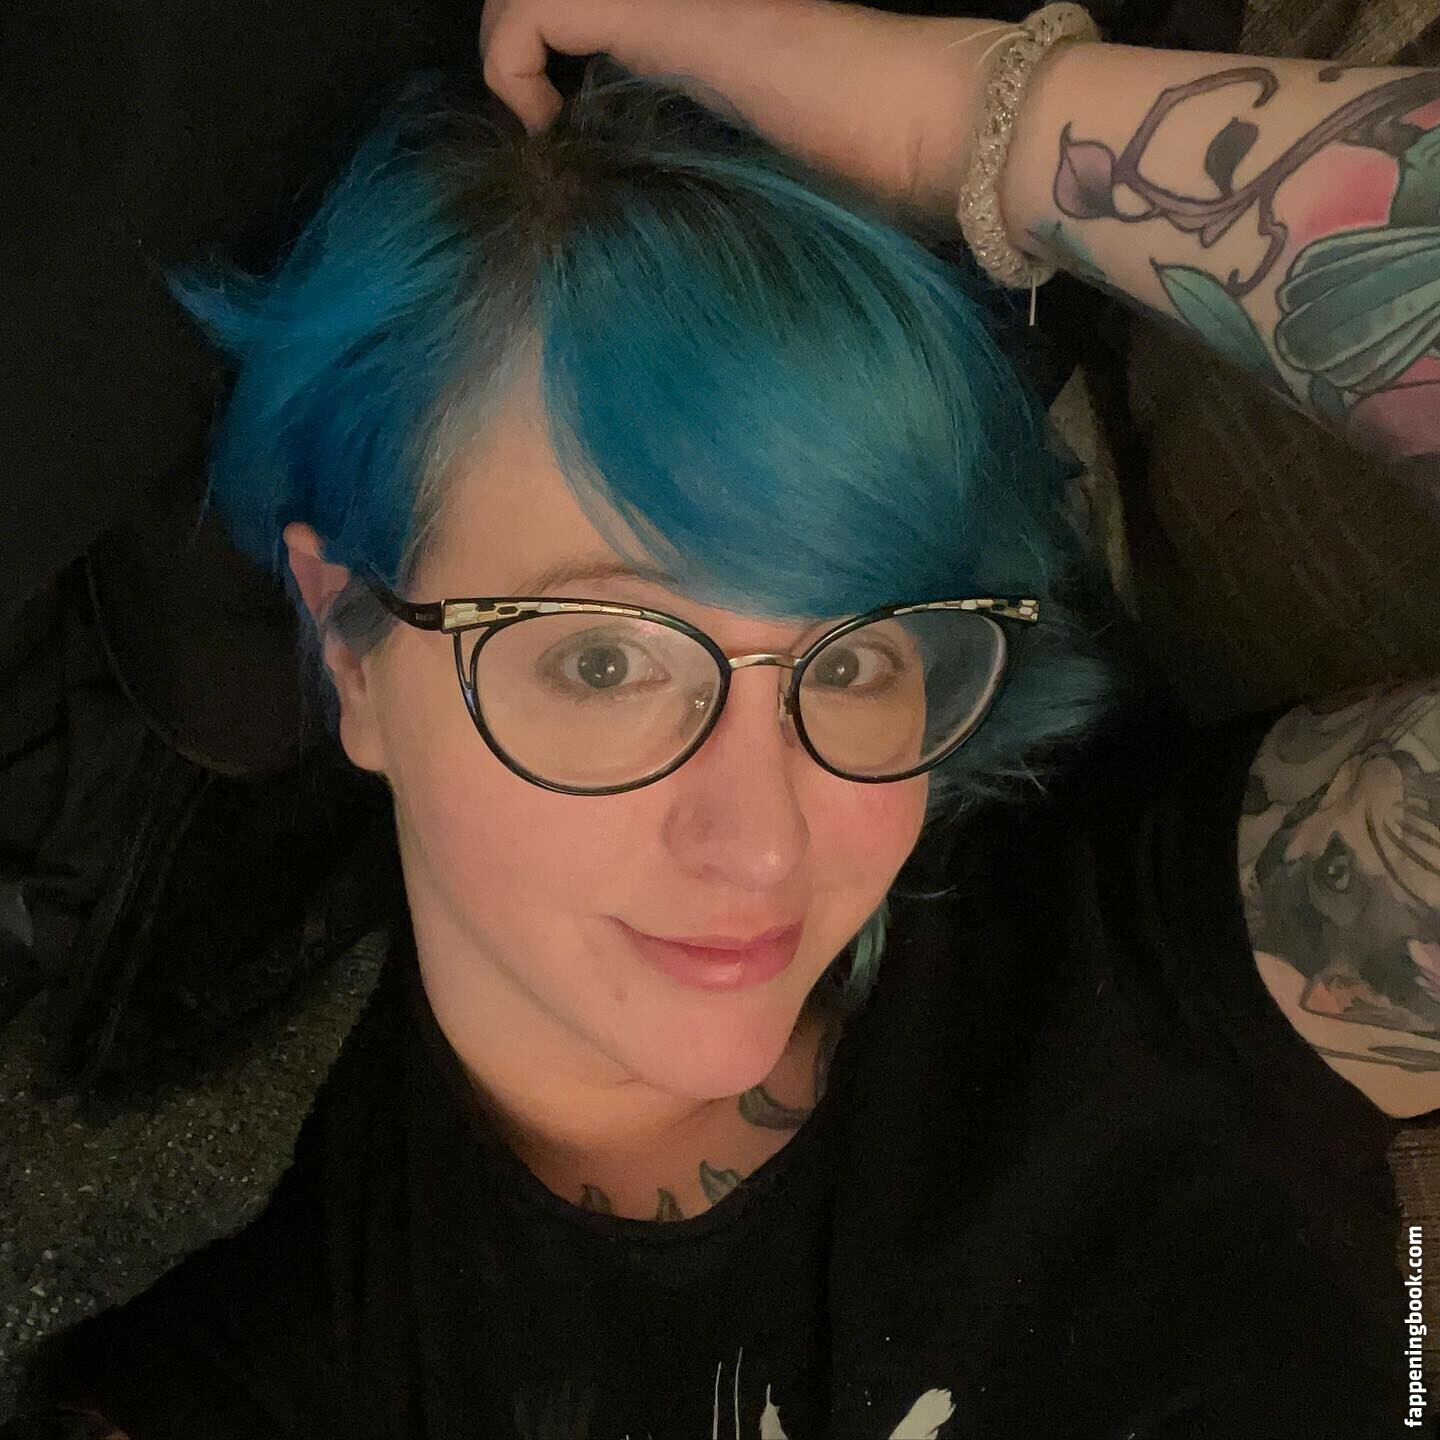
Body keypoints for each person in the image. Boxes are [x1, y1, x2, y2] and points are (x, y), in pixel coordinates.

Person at [7, 1, 1439, 1435]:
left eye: (856, 662)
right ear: (351, 643)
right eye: (606, 664)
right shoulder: (283, 1384)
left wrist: (970, 120)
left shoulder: (1164, 950)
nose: (763, 847)